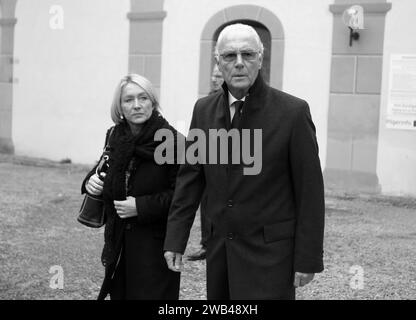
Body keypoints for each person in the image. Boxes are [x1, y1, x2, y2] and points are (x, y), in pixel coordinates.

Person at [163, 24, 325, 300]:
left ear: (260, 59)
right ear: (218, 62)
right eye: (229, 56)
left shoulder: (293, 113)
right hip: (220, 252)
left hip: (272, 255)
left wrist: (307, 258)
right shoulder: (203, 110)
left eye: (247, 54)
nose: (239, 63)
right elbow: (190, 178)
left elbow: (310, 192)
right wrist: (176, 239)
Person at [82, 74, 181, 300]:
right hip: (118, 244)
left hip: (154, 247)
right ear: (120, 106)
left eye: (143, 98)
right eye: (128, 100)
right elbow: (104, 166)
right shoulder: (115, 135)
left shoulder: (172, 141)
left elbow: (182, 196)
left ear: (152, 102)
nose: (136, 105)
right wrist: (91, 182)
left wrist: (141, 206)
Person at [187, 65, 224, 261]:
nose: (214, 79)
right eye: (213, 76)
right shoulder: (207, 100)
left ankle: (218, 242)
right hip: (207, 158)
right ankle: (206, 244)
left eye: (218, 76)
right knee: (205, 203)